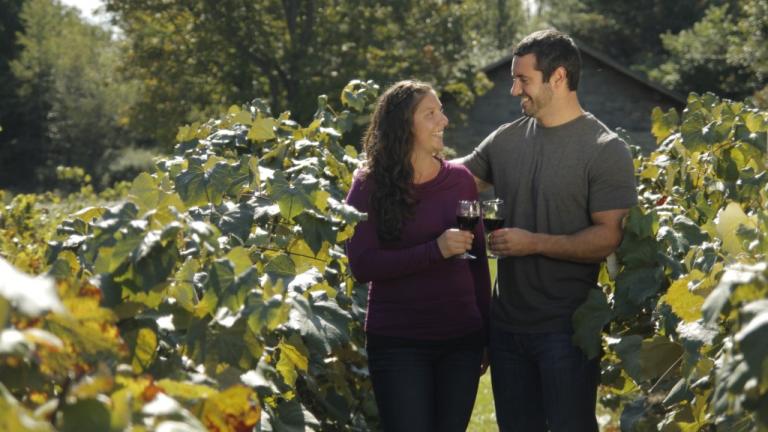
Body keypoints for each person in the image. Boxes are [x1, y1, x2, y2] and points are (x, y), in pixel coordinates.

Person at [459, 30, 638, 431]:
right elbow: (453, 180)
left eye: (522, 79)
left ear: (558, 77)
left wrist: (532, 243)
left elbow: (608, 236)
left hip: (567, 329)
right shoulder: (505, 140)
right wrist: (396, 161)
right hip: (506, 328)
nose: (512, 90)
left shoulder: (604, 149)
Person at [345, 80, 491, 432]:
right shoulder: (368, 186)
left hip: (462, 342)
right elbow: (362, 265)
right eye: (431, 113)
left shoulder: (460, 181)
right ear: (402, 125)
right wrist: (435, 251)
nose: (443, 120)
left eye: (441, 111)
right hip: (399, 343)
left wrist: (486, 333)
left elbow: (479, 264)